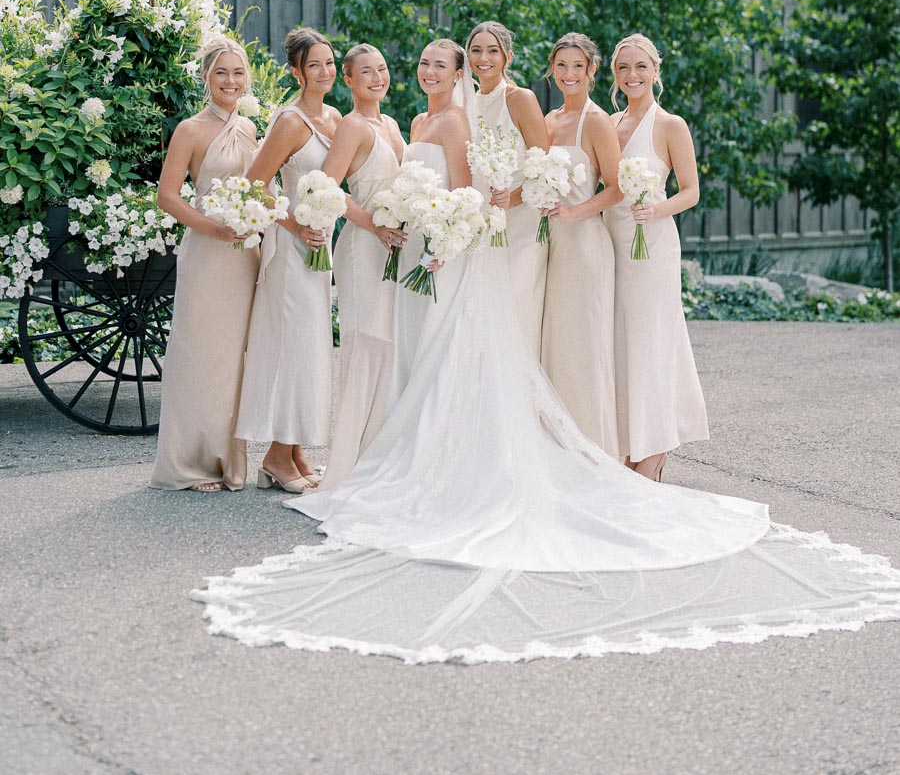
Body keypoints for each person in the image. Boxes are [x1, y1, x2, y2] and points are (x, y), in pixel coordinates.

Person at [194, 33, 900, 664]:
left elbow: (530, 171)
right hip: (437, 242)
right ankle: (387, 449)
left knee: (525, 340)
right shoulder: (418, 119)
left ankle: (599, 447)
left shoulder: (529, 109)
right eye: (448, 58)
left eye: (471, 55)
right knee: (430, 349)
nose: (462, 65)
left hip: (505, 237)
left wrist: (497, 207)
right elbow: (451, 181)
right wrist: (435, 216)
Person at [235, 28, 340, 494]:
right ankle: (276, 455)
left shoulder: (335, 118)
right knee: (293, 349)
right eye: (314, 64)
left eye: (330, 62)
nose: (324, 72)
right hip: (292, 250)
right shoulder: (291, 122)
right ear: (296, 71)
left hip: (321, 249)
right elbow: (256, 182)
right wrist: (297, 226)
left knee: (311, 350)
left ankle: (293, 452)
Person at [150, 37, 258, 493]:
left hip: (245, 254)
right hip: (208, 251)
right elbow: (167, 197)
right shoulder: (189, 130)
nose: (230, 81)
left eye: (237, 72)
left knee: (233, 359)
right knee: (199, 354)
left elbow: (259, 187)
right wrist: (213, 229)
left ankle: (225, 460)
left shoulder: (251, 128)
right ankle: (190, 463)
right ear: (205, 78)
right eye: (221, 73)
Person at [603, 33, 709, 482]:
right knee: (621, 343)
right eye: (624, 67)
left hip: (651, 245)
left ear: (655, 71)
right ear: (614, 74)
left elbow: (691, 191)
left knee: (651, 342)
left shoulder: (670, 125)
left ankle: (654, 451)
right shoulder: (609, 122)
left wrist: (655, 208)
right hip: (611, 241)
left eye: (641, 66)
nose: (632, 75)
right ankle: (630, 444)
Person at [316, 44, 406, 491]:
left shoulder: (389, 124)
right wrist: (375, 226)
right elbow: (328, 188)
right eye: (365, 72)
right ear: (348, 80)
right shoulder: (351, 126)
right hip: (363, 248)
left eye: (382, 69)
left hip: (393, 249)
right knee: (363, 344)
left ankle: (378, 452)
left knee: (389, 345)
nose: (377, 78)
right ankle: (350, 462)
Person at [541, 33, 623, 458]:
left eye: (578, 66)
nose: (569, 74)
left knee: (584, 346)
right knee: (556, 344)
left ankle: (594, 452)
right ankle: (559, 449)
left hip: (585, 246)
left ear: (592, 70)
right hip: (550, 248)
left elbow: (617, 188)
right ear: (551, 69)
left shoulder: (597, 121)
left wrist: (575, 212)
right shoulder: (549, 120)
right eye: (561, 66)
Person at [389, 38, 474, 398]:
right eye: (425, 63)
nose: (430, 72)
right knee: (410, 333)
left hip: (438, 250)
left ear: (457, 74)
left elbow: (463, 192)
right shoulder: (419, 121)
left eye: (440, 65)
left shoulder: (455, 121)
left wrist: (441, 245)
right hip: (413, 240)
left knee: (433, 336)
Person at [466, 21, 550, 356]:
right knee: (485, 308)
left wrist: (511, 199)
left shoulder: (520, 99)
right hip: (483, 223)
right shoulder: (467, 104)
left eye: (492, 51)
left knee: (517, 305)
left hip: (520, 222)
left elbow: (543, 165)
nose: (483, 58)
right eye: (476, 50)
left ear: (507, 57)